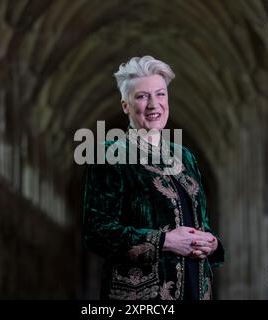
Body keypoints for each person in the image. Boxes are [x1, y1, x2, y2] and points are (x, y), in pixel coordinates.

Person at [83, 56, 224, 300]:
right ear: (125, 105)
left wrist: (210, 243)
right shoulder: (108, 153)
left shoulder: (185, 156)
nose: (153, 104)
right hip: (142, 295)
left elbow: (201, 222)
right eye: (141, 96)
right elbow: (97, 232)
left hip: (196, 289)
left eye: (160, 94)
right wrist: (164, 241)